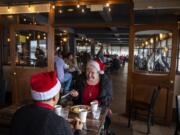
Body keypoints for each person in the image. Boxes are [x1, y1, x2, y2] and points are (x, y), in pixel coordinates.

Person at [10, 71, 83, 135]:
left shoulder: (18, 113)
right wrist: (78, 130)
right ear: (55, 97)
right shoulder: (59, 123)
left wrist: (64, 126)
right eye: (59, 92)